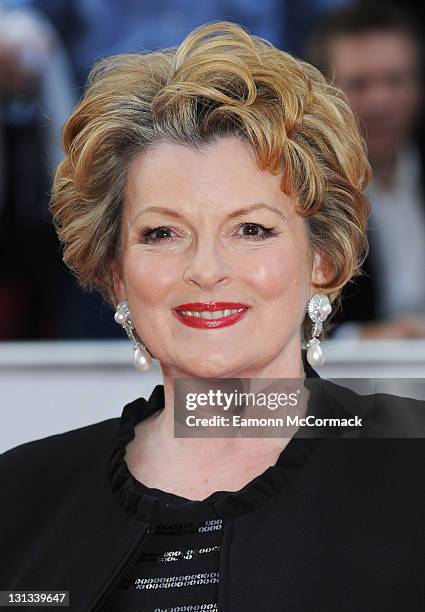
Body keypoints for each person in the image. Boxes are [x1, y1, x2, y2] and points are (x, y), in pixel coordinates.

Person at [1, 21, 424, 611]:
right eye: (162, 233)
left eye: (251, 229)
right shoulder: (20, 497)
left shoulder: (409, 465)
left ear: (322, 259)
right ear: (117, 271)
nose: (205, 267)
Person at [308, 1, 425, 339]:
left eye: (395, 80)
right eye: (359, 84)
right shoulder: (305, 188)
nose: (380, 101)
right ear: (324, 93)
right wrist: (366, 338)